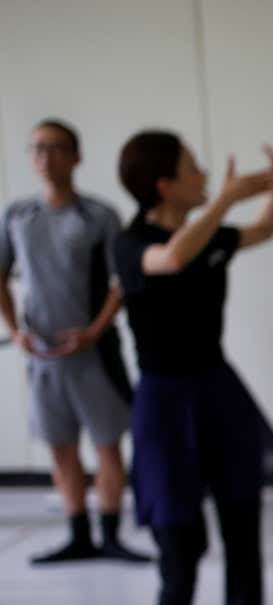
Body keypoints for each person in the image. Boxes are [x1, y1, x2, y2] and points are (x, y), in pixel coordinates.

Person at [112, 129, 273, 605]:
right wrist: (227, 196)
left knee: (242, 527)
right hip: (163, 400)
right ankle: (174, 601)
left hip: (217, 392)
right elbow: (172, 258)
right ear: (165, 184)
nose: (204, 175)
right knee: (181, 535)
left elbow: (264, 230)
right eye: (193, 169)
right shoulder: (130, 245)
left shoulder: (214, 236)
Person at [0, 119, 149, 564]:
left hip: (92, 353)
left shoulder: (99, 216)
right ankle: (77, 532)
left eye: (56, 148)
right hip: (43, 356)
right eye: (38, 148)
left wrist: (94, 330)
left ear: (76, 157)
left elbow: (120, 282)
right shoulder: (17, 216)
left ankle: (110, 533)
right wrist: (14, 330)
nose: (46, 156)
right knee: (60, 446)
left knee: (106, 445)